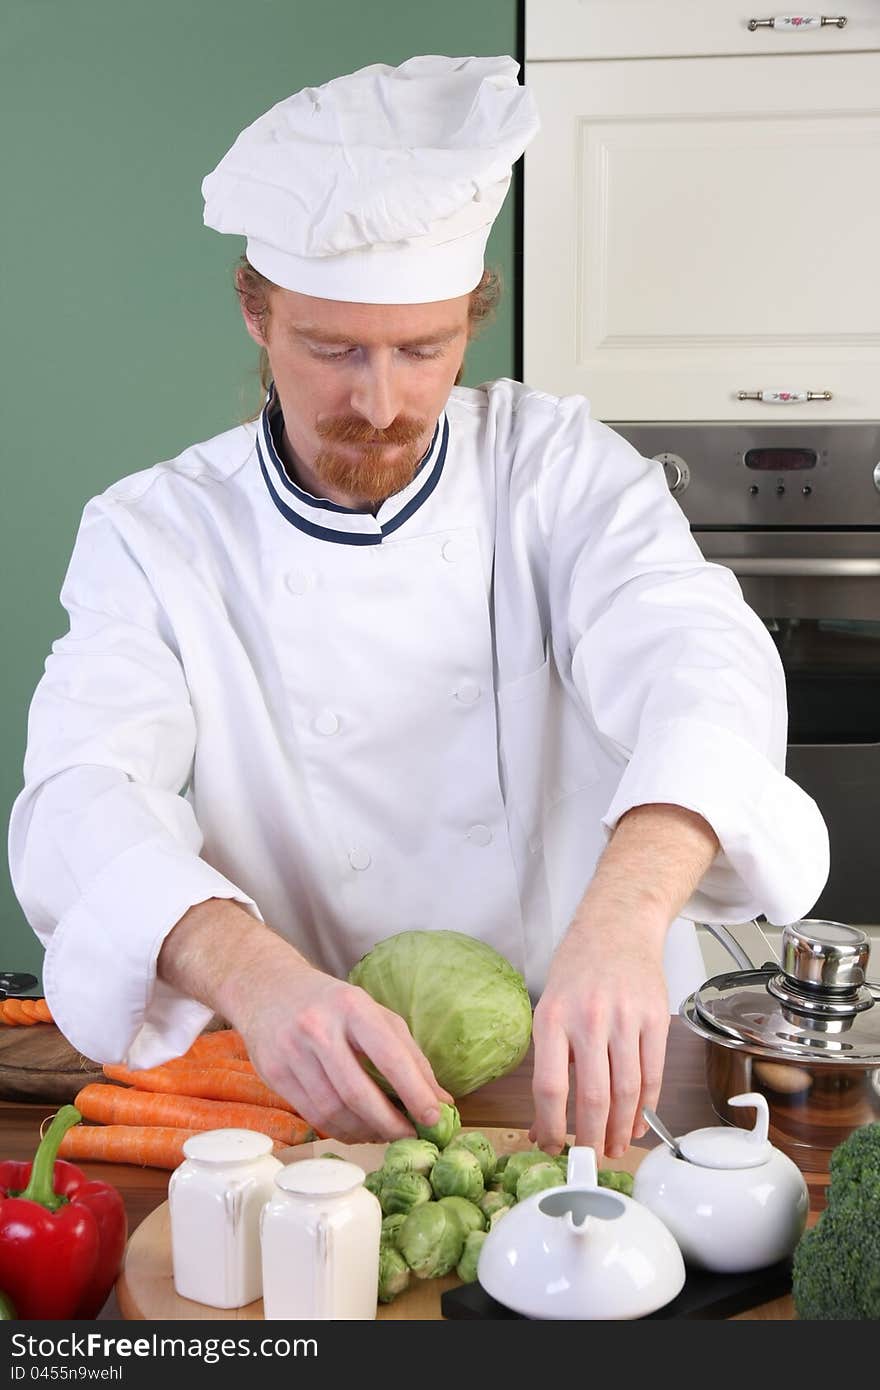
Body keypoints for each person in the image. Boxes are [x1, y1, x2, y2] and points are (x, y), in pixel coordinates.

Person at [8, 55, 829, 1160]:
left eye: (421, 349)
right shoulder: (156, 535)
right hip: (316, 1086)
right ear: (256, 312)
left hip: (601, 1066)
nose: (380, 404)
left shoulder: (559, 471)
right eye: (333, 348)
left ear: (469, 322)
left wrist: (627, 911)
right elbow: (80, 796)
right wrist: (252, 976)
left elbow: (700, 658)